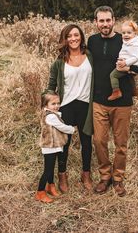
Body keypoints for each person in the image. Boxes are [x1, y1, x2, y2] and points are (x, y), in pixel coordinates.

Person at [87, 6, 138, 197]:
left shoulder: (125, 38)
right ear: (96, 22)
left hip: (122, 102)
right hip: (98, 100)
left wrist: (128, 68)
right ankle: (105, 177)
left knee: (121, 143)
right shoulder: (92, 41)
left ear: (114, 20)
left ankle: (118, 179)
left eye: (108, 20)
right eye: (101, 21)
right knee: (99, 140)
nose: (105, 24)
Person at [46, 24, 94, 192]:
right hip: (66, 105)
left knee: (86, 142)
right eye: (69, 36)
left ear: (81, 37)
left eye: (76, 35)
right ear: (65, 39)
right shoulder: (59, 62)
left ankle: (86, 174)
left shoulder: (89, 56)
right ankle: (62, 175)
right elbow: (50, 87)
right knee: (64, 143)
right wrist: (49, 106)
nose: (73, 38)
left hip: (86, 104)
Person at [35, 92, 75, 203]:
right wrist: (71, 129)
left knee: (51, 168)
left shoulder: (52, 114)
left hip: (54, 146)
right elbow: (62, 127)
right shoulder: (51, 116)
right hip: (49, 147)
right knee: (47, 171)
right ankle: (40, 192)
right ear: (45, 105)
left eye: (58, 103)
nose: (56, 106)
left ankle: (50, 186)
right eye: (53, 103)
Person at [108, 20, 138, 101]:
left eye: (129, 33)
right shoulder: (129, 41)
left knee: (113, 75)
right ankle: (134, 91)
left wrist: (125, 63)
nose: (126, 35)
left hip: (128, 64)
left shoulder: (134, 44)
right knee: (129, 76)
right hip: (127, 63)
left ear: (135, 33)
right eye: (123, 33)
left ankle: (116, 91)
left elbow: (136, 57)